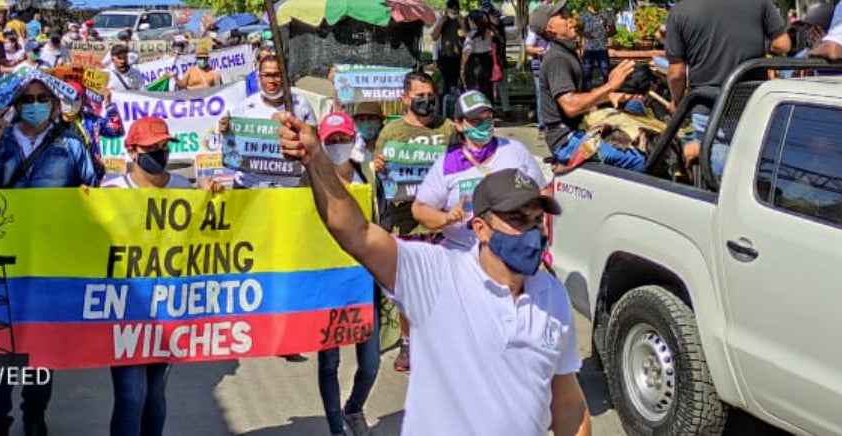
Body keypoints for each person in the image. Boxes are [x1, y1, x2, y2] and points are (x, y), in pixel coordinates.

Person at [279, 111, 592, 436]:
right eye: (518, 219)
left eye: (537, 220)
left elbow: (568, 403)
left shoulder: (552, 296)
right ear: (481, 229)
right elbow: (357, 233)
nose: (531, 231)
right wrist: (316, 159)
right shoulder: (436, 277)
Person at [0, 73, 95, 436]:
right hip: (2, 260)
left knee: (41, 346)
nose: (34, 104)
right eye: (27, 99)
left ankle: (35, 415)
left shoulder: (70, 144)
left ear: (54, 105)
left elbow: (92, 192)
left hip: (49, 262)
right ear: (14, 105)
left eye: (42, 98)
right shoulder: (1, 141)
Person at [101, 117, 189, 436]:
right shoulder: (110, 191)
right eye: (153, 148)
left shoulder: (183, 187)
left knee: (155, 395)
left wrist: (213, 198)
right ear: (133, 151)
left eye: (165, 146)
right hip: (125, 310)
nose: (161, 152)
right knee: (129, 398)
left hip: (167, 310)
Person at [664, 0, 790, 161]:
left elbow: (676, 74)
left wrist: (677, 102)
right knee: (753, 163)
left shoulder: (679, 12)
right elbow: (783, 45)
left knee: (721, 174)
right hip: (752, 100)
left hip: (710, 106)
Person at [369, 71, 455, 372]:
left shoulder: (448, 129)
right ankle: (408, 341)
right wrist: (377, 167)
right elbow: (380, 177)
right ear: (405, 98)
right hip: (405, 224)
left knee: (442, 287)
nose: (426, 101)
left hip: (443, 223)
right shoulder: (391, 133)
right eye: (419, 96)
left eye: (430, 96)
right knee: (407, 288)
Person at [307, 112, 380, 436]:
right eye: (331, 140)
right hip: (326, 283)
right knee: (329, 364)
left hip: (364, 281)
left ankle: (353, 408)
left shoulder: (368, 175)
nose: (337, 145)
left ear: (353, 140)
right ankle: (336, 426)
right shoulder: (310, 180)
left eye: (343, 139)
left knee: (370, 363)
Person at [411, 91, 547, 250]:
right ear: (459, 125)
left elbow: (543, 191)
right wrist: (447, 217)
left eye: (488, 118)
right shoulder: (448, 164)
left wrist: (538, 226)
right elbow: (420, 209)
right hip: (464, 252)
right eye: (476, 120)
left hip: (513, 251)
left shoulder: (515, 150)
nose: (484, 124)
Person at [533, 0, 645, 170]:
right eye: (562, 16)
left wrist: (611, 96)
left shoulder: (566, 53)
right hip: (567, 142)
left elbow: (583, 97)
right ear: (550, 28)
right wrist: (610, 86)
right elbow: (571, 106)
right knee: (639, 160)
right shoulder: (557, 59)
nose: (570, 18)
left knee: (637, 114)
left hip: (577, 131)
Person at [220, 53, 317, 188]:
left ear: (284, 77)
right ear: (259, 78)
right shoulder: (243, 108)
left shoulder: (301, 105)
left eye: (276, 75)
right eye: (267, 75)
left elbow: (314, 145)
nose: (272, 80)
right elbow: (232, 148)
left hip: (288, 188)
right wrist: (226, 133)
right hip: (249, 186)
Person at [431, 0, 464, 104]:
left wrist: (462, 23)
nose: (454, 11)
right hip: (445, 56)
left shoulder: (462, 20)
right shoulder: (443, 20)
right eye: (451, 9)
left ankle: (456, 105)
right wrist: (441, 22)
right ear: (447, 9)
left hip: (458, 57)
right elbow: (434, 36)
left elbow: (468, 35)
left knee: (457, 84)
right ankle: (443, 107)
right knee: (445, 84)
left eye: (456, 9)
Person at [460, 11, 497, 102]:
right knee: (487, 87)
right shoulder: (488, 32)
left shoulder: (471, 35)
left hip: (475, 62)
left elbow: (466, 52)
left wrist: (462, 67)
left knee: (475, 87)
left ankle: (477, 108)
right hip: (487, 60)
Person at [578, 2, 612, 84]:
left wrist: (603, 35)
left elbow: (613, 30)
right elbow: (579, 30)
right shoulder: (584, 14)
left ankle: (608, 91)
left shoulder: (605, 13)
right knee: (586, 72)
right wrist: (587, 35)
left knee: (606, 71)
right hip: (589, 48)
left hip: (602, 48)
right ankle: (587, 92)